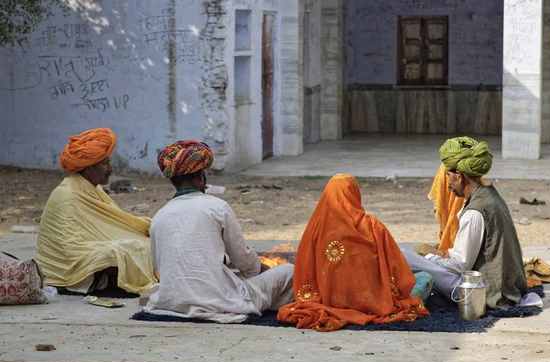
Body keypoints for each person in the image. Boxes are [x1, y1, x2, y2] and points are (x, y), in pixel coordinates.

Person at [143, 140, 294, 323]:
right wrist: (262, 269)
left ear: (173, 182)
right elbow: (243, 259)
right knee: (288, 271)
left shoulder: (159, 216)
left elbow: (159, 265)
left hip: (172, 302)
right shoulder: (217, 207)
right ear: (200, 177)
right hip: (222, 302)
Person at [277, 173, 430, 332]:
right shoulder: (373, 227)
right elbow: (396, 272)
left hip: (330, 302)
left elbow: (304, 271)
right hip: (374, 302)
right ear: (355, 194)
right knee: (425, 277)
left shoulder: (314, 231)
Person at [404, 137, 531, 310]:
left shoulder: (474, 211)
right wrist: (438, 253)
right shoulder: (490, 196)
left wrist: (429, 257)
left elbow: (461, 265)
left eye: (449, 177)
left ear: (460, 177)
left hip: (486, 292)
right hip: (504, 286)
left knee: (405, 256)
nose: (448, 183)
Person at [36, 127, 159, 294]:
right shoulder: (68, 194)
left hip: (85, 251)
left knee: (148, 243)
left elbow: (113, 224)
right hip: (65, 267)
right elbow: (69, 249)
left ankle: (108, 279)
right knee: (123, 251)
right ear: (88, 169)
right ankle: (101, 280)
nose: (111, 169)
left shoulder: (92, 188)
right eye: (105, 163)